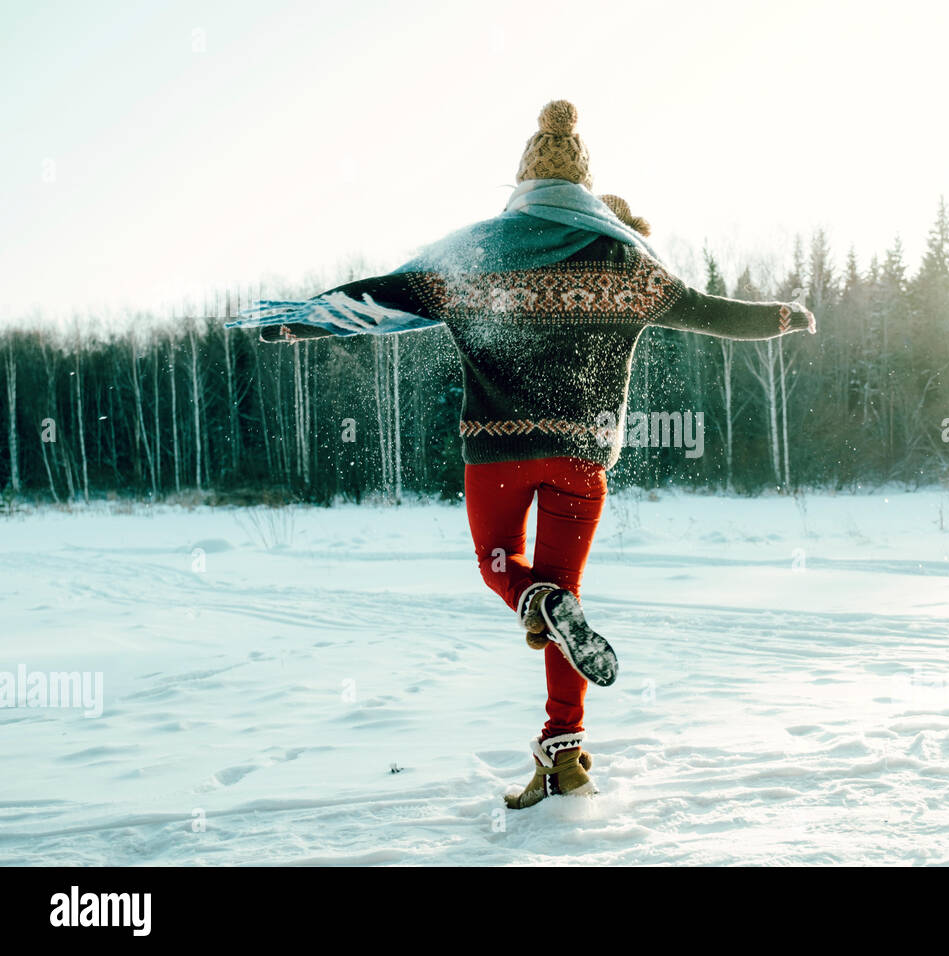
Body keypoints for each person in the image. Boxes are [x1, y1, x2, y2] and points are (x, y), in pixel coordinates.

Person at [227, 100, 816, 808]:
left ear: (522, 181)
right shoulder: (629, 259)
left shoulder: (474, 252)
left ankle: (530, 597)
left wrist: (300, 322)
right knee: (570, 598)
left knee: (499, 564)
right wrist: (785, 318)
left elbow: (380, 299)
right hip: (581, 460)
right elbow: (714, 313)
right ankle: (564, 753)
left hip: (498, 458)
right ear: (587, 188)